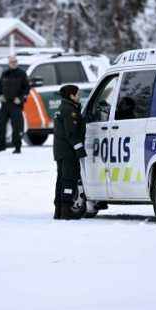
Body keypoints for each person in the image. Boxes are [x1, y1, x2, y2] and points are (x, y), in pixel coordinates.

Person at [53, 84, 87, 220]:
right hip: (68, 152)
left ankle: (59, 211)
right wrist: (80, 150)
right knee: (68, 181)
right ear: (71, 95)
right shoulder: (69, 111)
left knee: (61, 181)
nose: (79, 96)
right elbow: (71, 133)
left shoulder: (62, 108)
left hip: (60, 151)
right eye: (78, 94)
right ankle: (66, 212)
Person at [0, 56, 30, 154]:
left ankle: (17, 147)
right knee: (0, 124)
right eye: (11, 62)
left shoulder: (21, 74)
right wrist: (0, 95)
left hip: (16, 104)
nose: (13, 63)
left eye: (15, 62)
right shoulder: (5, 73)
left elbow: (26, 88)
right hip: (5, 103)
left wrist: (20, 98)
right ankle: (1, 146)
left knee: (16, 126)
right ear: (9, 63)